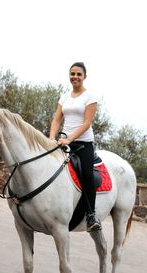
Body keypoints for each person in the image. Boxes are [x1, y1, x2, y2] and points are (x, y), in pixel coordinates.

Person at [49, 62, 102, 232]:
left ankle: (91, 215)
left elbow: (87, 123)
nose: (75, 77)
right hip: (64, 141)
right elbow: (57, 119)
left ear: (84, 76)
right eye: (72, 74)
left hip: (83, 143)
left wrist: (70, 139)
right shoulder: (64, 97)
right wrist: (51, 138)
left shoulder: (89, 97)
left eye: (79, 74)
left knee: (86, 174)